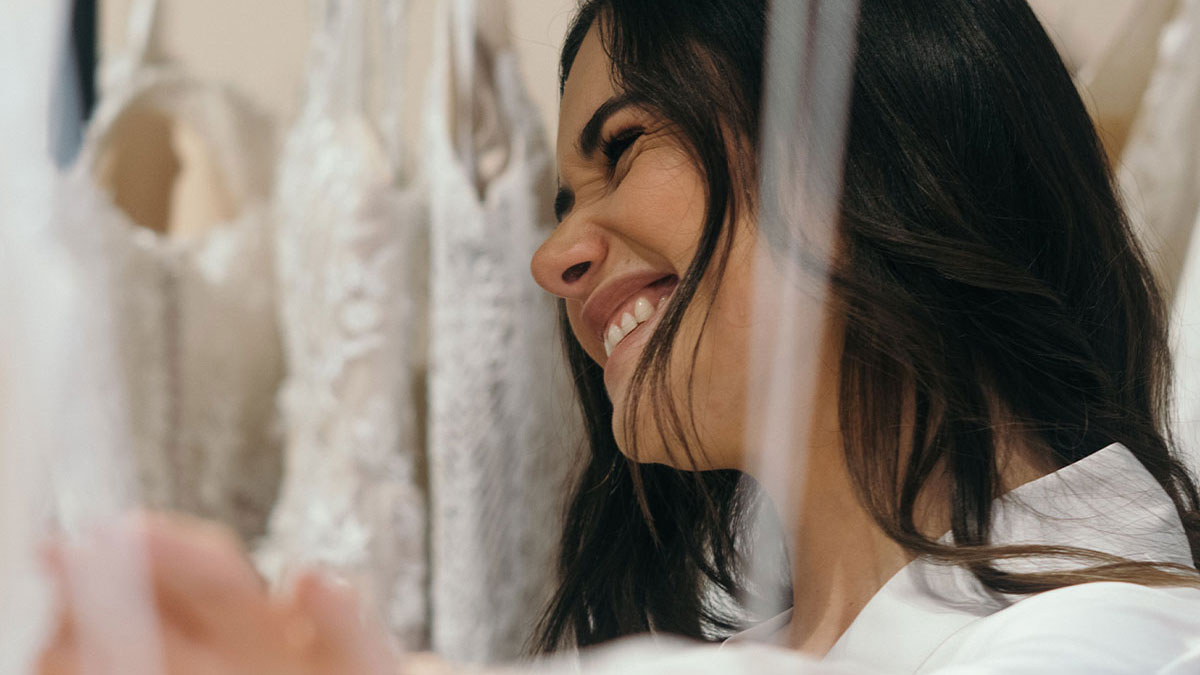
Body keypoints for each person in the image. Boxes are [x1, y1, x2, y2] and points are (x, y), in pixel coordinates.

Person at [37, 1, 1200, 673]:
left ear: (862, 131)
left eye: (625, 144)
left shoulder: (1115, 641)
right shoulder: (746, 635)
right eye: (556, 202)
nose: (554, 259)